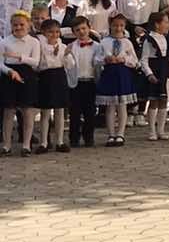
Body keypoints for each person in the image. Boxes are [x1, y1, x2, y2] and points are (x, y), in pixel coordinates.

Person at [118, 0, 162, 126]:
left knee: (144, 71)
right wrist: (132, 29)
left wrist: (145, 33)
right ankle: (130, 110)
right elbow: (121, 17)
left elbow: (154, 17)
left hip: (146, 33)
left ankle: (141, 111)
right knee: (130, 71)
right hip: (128, 33)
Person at [96, 13, 140, 147]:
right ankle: (111, 134)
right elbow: (96, 59)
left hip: (122, 74)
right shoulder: (104, 42)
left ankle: (120, 133)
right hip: (109, 73)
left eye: (121, 25)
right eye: (115, 25)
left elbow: (135, 61)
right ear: (110, 25)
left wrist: (124, 59)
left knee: (122, 105)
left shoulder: (127, 42)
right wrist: (106, 59)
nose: (118, 28)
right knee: (110, 106)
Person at [1, 12, 40, 155]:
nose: (18, 27)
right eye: (15, 25)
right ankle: (6, 145)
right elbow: (0, 63)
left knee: (27, 111)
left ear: (28, 25)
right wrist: (10, 71)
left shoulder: (34, 42)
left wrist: (20, 57)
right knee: (8, 111)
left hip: (27, 75)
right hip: (9, 76)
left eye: (21, 24)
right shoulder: (5, 42)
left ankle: (26, 145)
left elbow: (36, 62)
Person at [36, 18, 71, 154]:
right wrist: (51, 53)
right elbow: (39, 64)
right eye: (50, 32)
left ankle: (60, 141)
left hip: (59, 76)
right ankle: (44, 142)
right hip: (46, 76)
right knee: (45, 112)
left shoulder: (62, 46)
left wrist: (66, 55)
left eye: (57, 32)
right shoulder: (40, 46)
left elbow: (70, 65)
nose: (54, 35)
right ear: (44, 32)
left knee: (59, 111)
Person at [139, 8, 169, 141]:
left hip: (164, 71)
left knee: (164, 101)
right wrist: (149, 74)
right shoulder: (149, 40)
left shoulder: (168, 38)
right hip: (155, 70)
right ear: (157, 24)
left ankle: (161, 130)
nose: (168, 25)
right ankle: (152, 131)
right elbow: (144, 60)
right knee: (153, 101)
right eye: (165, 22)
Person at [67, 15, 103, 148]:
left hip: (91, 81)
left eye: (83, 28)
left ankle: (89, 137)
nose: (81, 32)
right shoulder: (71, 46)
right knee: (74, 112)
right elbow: (68, 65)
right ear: (73, 32)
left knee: (90, 111)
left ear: (89, 28)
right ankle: (74, 138)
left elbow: (99, 62)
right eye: (77, 30)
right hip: (76, 82)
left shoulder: (97, 46)